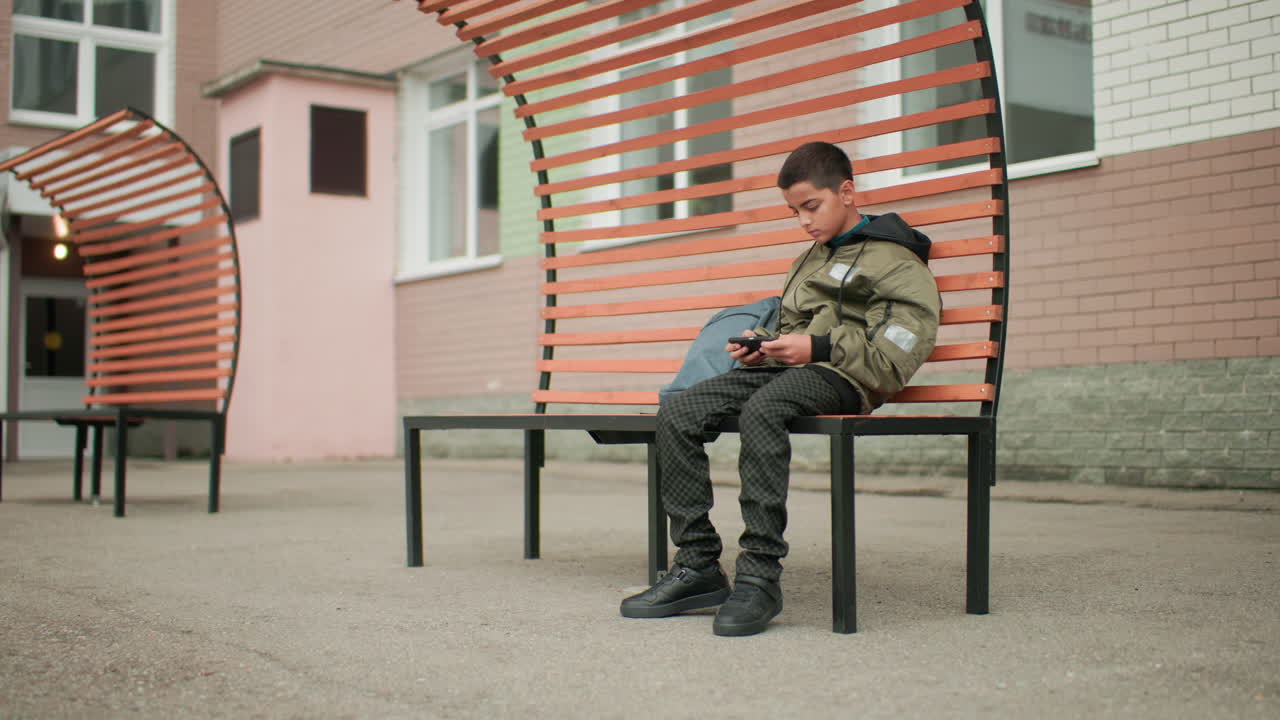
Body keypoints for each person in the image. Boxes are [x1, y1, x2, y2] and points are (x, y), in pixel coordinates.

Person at [619, 141, 942, 636]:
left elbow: (892, 360)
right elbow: (792, 326)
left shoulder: (898, 263)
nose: (804, 222)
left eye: (812, 206)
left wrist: (816, 349)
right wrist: (763, 345)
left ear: (848, 191)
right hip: (788, 370)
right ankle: (698, 564)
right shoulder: (808, 260)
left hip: (842, 377)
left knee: (764, 411)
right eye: (795, 212)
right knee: (680, 412)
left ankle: (760, 577)